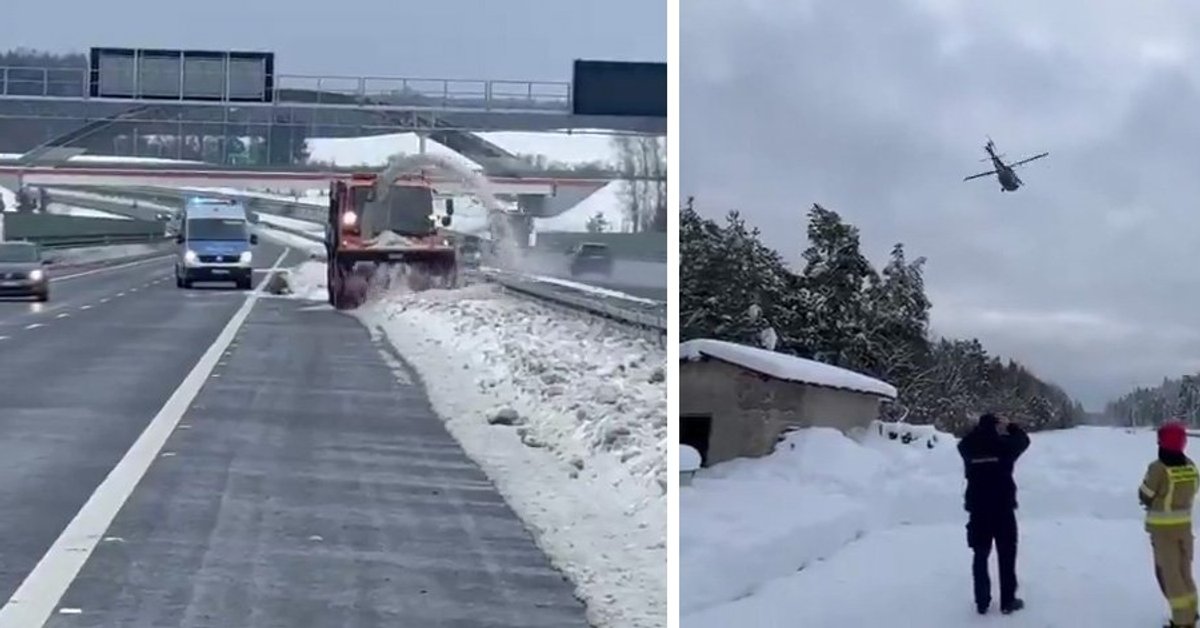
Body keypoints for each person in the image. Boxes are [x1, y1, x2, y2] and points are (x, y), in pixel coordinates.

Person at [957, 412, 1030, 615]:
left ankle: (982, 602)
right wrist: (1011, 426)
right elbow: (1024, 440)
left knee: (980, 555)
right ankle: (1007, 601)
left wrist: (977, 428)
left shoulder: (968, 447)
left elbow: (964, 442)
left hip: (978, 510)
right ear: (997, 426)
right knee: (1007, 555)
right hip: (1003, 509)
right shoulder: (1005, 446)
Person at [1139, 420, 1200, 628]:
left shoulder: (1158, 468)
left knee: (1170, 576)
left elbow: (1146, 494)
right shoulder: (1191, 466)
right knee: (1185, 573)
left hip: (1163, 532)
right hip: (1184, 530)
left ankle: (1182, 622)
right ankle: (1191, 613)